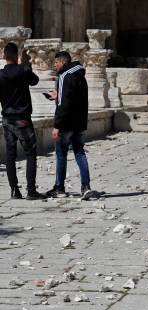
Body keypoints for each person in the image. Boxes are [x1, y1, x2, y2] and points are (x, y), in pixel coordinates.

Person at [45, 51, 94, 200]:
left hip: (66, 124)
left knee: (61, 155)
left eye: (55, 63)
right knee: (80, 153)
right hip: (79, 123)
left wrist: (56, 125)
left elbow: (63, 104)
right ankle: (86, 187)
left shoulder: (64, 76)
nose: (54, 66)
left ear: (62, 62)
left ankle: (59, 188)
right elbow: (75, 99)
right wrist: (58, 95)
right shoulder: (80, 75)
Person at [0, 42, 45, 199]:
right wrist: (25, 66)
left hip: (7, 119)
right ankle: (31, 190)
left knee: (10, 155)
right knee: (30, 153)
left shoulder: (0, 74)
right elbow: (35, 81)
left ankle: (14, 190)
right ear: (17, 56)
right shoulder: (24, 70)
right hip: (22, 119)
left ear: (4, 56)